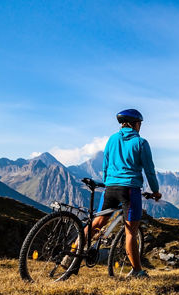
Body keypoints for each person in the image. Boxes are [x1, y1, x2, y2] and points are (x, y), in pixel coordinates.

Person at [66, 109, 161, 278]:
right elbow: (149, 170)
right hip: (130, 190)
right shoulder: (141, 143)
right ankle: (137, 271)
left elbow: (105, 165)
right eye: (140, 124)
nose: (140, 127)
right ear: (135, 124)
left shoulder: (112, 139)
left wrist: (109, 181)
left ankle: (72, 253)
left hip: (110, 188)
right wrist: (155, 191)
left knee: (97, 223)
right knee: (131, 231)